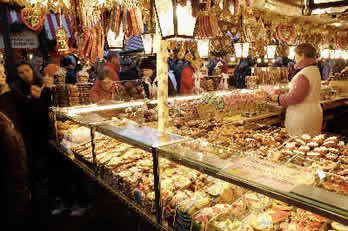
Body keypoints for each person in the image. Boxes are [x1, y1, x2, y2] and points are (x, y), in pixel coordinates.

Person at [271, 43, 323, 136]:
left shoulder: (304, 73)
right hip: (313, 112)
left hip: (302, 115)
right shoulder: (314, 70)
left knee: (299, 143)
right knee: (310, 145)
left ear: (302, 55)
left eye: (295, 55)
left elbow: (295, 97)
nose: (294, 59)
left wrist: (277, 98)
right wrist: (286, 92)